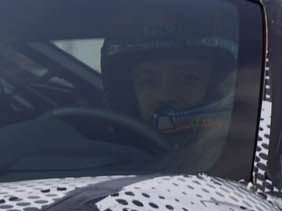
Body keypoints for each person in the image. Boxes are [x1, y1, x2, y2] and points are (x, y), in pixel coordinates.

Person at [100, 16, 239, 164]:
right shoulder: (105, 154)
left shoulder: (237, 151)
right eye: (147, 81)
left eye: (186, 79)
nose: (165, 95)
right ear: (129, 93)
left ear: (214, 87)